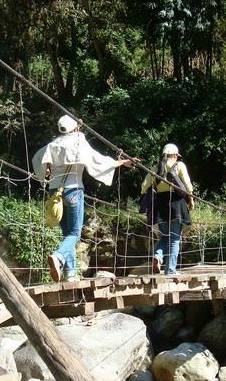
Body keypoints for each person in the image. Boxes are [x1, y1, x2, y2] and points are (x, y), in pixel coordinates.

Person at [32, 115, 132, 282]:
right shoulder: (79, 142)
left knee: (66, 233)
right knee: (75, 233)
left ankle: (69, 274)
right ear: (75, 127)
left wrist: (45, 173)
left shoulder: (53, 144)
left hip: (54, 192)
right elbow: (98, 160)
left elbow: (38, 159)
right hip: (73, 190)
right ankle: (58, 256)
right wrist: (121, 163)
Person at [140, 143, 195, 275]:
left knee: (164, 236)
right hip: (177, 204)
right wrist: (191, 200)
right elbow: (188, 185)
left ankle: (158, 256)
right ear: (175, 155)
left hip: (160, 205)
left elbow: (144, 187)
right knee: (175, 238)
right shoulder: (179, 165)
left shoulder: (155, 167)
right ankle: (170, 270)